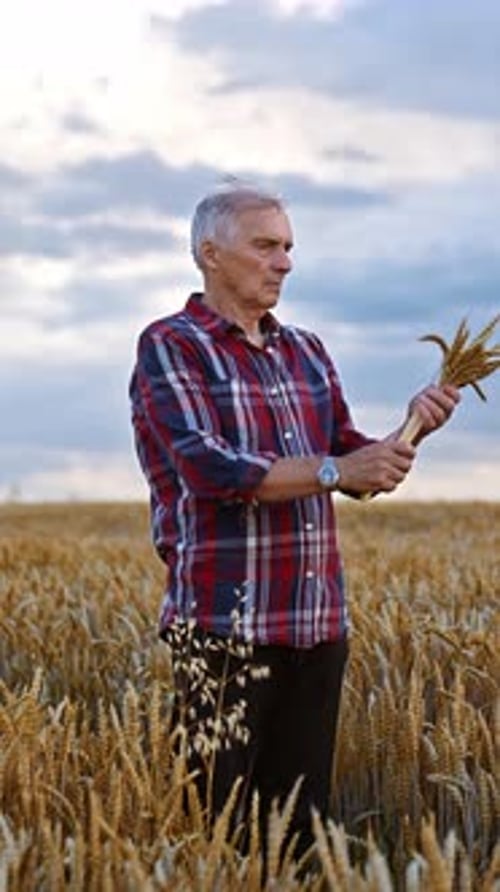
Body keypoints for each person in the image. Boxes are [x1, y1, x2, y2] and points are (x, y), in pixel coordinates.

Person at [129, 182, 459, 857]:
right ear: (210, 254)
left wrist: (412, 429)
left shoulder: (305, 349)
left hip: (315, 628)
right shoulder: (172, 345)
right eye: (266, 246)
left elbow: (346, 457)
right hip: (222, 631)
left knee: (301, 841)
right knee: (213, 839)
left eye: (288, 248)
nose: (283, 262)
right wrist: (341, 471)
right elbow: (209, 468)